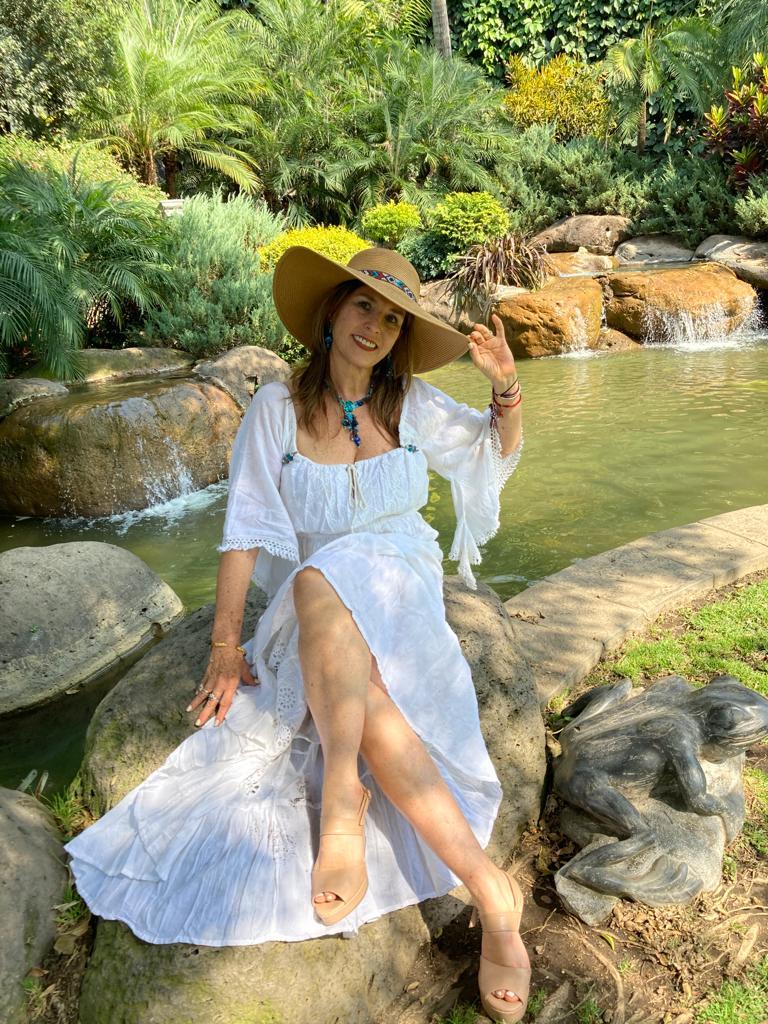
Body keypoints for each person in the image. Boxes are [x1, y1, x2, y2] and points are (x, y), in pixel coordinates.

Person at [64, 245, 529, 1022]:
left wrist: (506, 387)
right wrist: (224, 647)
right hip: (316, 606)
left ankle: (342, 796)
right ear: (332, 311)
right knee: (328, 607)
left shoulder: (410, 404)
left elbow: (492, 451)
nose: (375, 327)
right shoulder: (276, 410)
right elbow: (245, 529)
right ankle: (490, 888)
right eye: (364, 305)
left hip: (399, 579)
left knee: (319, 580)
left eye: (393, 319)